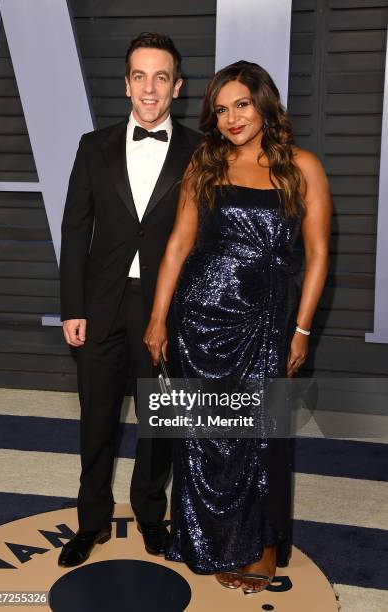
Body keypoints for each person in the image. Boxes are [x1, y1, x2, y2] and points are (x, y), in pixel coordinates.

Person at [144, 61, 331, 594]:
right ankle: (211, 542)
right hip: (199, 320)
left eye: (241, 105)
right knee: (205, 437)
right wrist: (158, 317)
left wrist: (301, 330)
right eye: (221, 109)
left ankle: (262, 550)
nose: (231, 118)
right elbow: (179, 244)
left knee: (262, 438)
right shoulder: (207, 162)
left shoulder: (302, 166)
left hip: (266, 322)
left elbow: (318, 254)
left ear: (264, 103)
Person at [58, 32, 200, 567]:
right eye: (140, 75)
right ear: (125, 85)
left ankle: (149, 515)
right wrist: (73, 307)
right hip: (100, 306)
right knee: (96, 420)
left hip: (165, 308)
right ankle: (90, 522)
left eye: (161, 77)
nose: (149, 87)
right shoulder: (92, 146)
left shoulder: (198, 152)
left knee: (158, 424)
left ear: (177, 87)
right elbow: (76, 231)